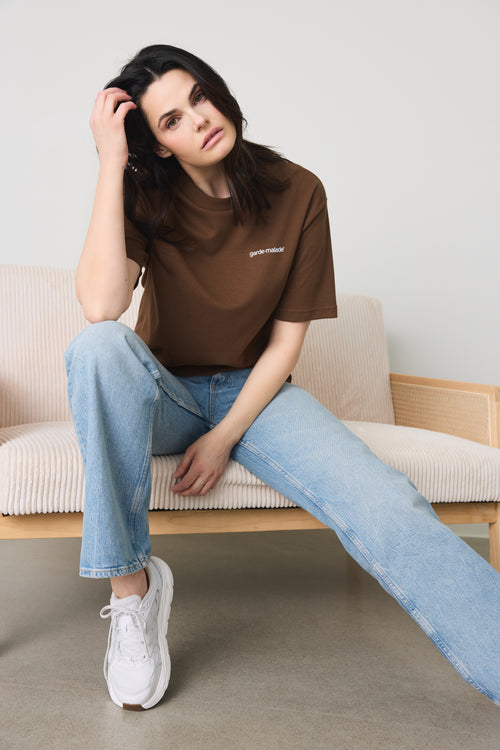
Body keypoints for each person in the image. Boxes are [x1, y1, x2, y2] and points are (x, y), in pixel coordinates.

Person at [65, 44, 500, 711]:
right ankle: (134, 596)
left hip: (256, 393)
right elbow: (101, 308)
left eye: (198, 96)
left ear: (217, 90)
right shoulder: (146, 193)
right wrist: (110, 163)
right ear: (158, 146)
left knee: (388, 502)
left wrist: (223, 438)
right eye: (171, 120)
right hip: (164, 396)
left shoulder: (298, 190)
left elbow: (286, 342)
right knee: (97, 347)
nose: (198, 119)